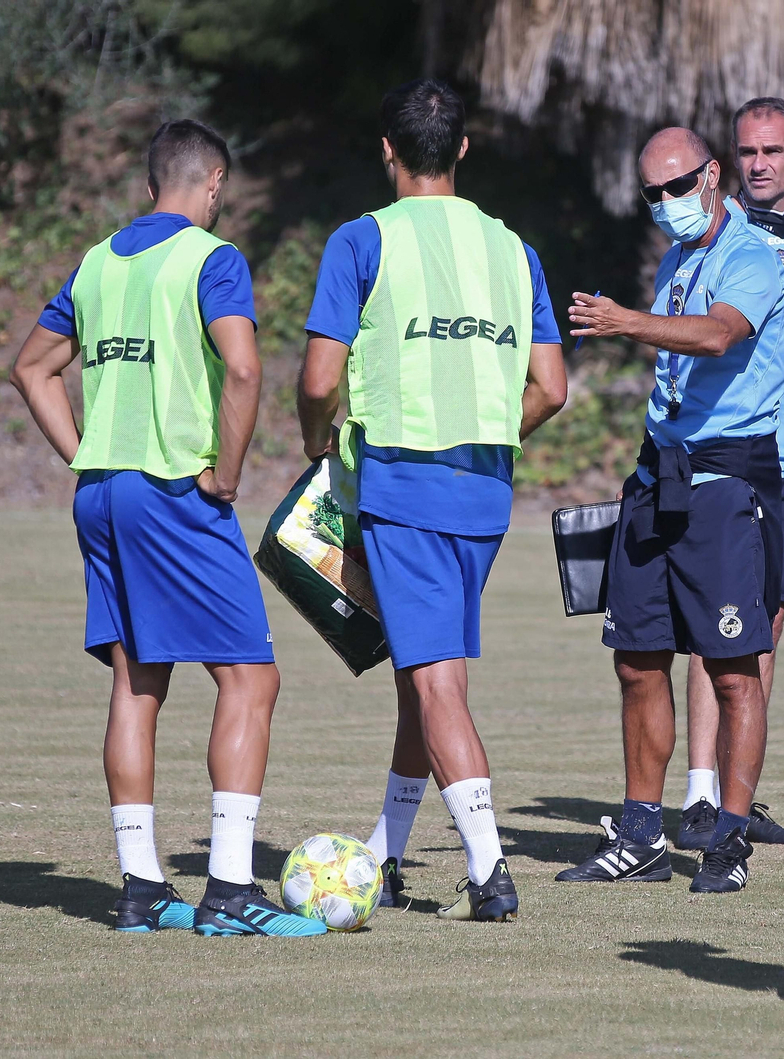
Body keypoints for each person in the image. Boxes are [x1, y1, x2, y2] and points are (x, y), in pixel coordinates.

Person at [9, 120, 323, 938]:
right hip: (175, 491)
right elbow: (244, 367)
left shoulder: (96, 262)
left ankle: (142, 889)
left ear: (153, 183)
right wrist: (226, 473)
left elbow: (31, 368)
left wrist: (85, 455)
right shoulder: (212, 259)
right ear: (214, 184)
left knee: (136, 682)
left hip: (102, 494)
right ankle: (229, 892)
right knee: (251, 679)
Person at [297, 79, 566, 923]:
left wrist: (315, 441)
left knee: (436, 681)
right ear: (463, 149)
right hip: (484, 493)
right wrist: (486, 430)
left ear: (387, 149)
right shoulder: (513, 249)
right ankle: (386, 852)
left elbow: (318, 380)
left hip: (403, 485)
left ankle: (490, 871)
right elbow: (552, 387)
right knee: (422, 675)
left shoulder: (361, 240)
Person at [557, 126, 784, 894]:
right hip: (658, 476)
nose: (666, 202)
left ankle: (730, 838)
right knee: (636, 658)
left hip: (725, 483)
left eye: (678, 185)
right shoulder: (676, 259)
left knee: (731, 670)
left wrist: (626, 321)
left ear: (713, 174)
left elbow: (719, 336)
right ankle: (641, 834)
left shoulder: (752, 256)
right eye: (651, 192)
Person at [671, 97, 784, 852]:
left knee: (766, 628)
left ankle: (738, 799)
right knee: (717, 625)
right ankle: (698, 796)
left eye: (774, 150)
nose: (760, 163)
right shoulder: (714, 233)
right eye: (748, 151)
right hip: (732, 454)